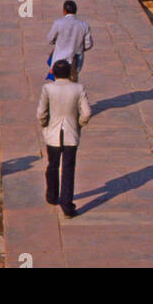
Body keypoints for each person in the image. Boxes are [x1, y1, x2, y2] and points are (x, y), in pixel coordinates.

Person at [37, 58, 92, 218]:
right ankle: (67, 205)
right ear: (70, 72)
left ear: (53, 72)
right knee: (68, 169)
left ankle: (52, 195)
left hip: (53, 134)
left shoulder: (48, 88)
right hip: (70, 134)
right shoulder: (78, 88)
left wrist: (45, 125)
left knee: (52, 165)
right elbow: (86, 113)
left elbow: (41, 112)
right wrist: (79, 124)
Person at [47, 0, 94, 79]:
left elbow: (50, 39)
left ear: (64, 11)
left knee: (59, 82)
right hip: (75, 60)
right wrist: (79, 47)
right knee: (72, 82)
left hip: (59, 60)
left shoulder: (58, 23)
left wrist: (58, 42)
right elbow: (88, 44)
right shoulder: (84, 25)